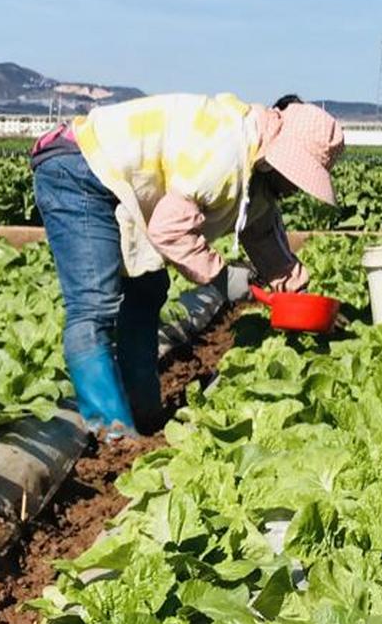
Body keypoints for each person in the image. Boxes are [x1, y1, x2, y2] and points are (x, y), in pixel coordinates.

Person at [29, 91, 344, 437]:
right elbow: (169, 231)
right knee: (94, 305)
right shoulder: (226, 154)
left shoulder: (258, 171)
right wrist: (221, 277)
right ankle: (112, 433)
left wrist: (298, 293)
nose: (296, 187)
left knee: (147, 289)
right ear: (278, 157)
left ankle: (145, 417)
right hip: (78, 167)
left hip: (120, 183)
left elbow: (263, 232)